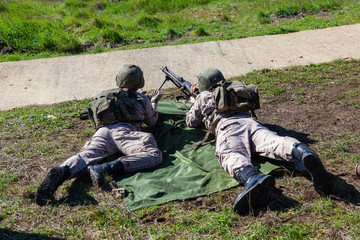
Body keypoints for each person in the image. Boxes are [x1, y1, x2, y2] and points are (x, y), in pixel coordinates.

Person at [185, 67, 333, 214]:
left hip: (229, 127)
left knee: (230, 153)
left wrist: (194, 100)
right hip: (251, 123)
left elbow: (191, 121)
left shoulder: (203, 96)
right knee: (274, 142)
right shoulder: (234, 88)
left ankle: (252, 177)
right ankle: (301, 151)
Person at [36, 64, 163, 206]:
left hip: (103, 132)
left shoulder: (106, 96)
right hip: (124, 133)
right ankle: (105, 168)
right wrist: (153, 102)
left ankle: (63, 170)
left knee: (85, 157)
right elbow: (152, 121)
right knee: (154, 155)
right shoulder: (141, 99)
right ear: (139, 81)